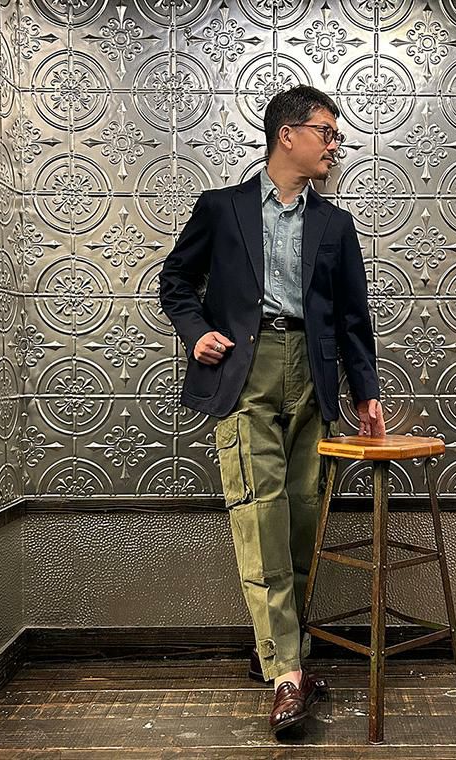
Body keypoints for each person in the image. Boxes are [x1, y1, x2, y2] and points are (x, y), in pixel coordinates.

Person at [159, 85, 385, 735]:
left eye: (335, 136)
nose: (334, 146)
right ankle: (287, 672)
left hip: (312, 376)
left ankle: (290, 652)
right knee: (259, 517)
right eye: (327, 133)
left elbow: (353, 319)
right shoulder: (221, 208)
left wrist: (365, 392)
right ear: (289, 134)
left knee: (302, 520)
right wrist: (195, 331)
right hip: (245, 374)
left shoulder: (335, 225)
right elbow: (176, 281)